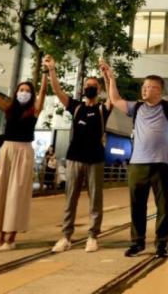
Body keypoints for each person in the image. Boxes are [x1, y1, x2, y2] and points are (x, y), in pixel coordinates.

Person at [103, 60, 168, 258]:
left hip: (162, 165)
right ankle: (137, 242)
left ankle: (161, 244)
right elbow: (115, 100)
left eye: (149, 87)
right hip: (137, 165)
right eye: (143, 86)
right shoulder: (137, 107)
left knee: (163, 207)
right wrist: (111, 79)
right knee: (137, 206)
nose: (144, 90)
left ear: (158, 90)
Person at [48, 55, 111, 254]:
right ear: (83, 89)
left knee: (95, 200)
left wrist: (107, 76)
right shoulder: (76, 107)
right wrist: (51, 70)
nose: (89, 88)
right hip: (74, 158)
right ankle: (66, 236)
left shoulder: (102, 109)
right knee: (70, 199)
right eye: (87, 85)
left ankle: (92, 236)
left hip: (96, 159)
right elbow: (57, 91)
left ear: (98, 90)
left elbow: (113, 98)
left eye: (93, 85)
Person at [0, 70, 43, 252]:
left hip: (23, 151)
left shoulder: (34, 111)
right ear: (16, 92)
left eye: (27, 90)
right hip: (7, 150)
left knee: (16, 194)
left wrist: (45, 73)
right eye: (21, 89)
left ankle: (10, 238)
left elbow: (42, 96)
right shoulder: (9, 109)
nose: (23, 92)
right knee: (1, 192)